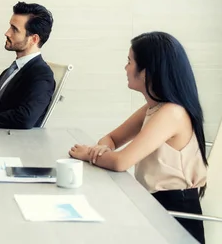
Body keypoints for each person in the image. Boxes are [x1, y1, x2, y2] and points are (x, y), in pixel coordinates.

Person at [69, 32, 207, 244]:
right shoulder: (154, 108)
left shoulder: (172, 113)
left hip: (175, 220)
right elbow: (112, 139)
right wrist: (102, 150)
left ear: (147, 71)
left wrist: (89, 153)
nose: (125, 68)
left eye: (129, 62)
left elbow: (121, 162)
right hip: (154, 208)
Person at [0, 1, 55, 129]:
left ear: (34, 39)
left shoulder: (42, 74)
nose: (7, 33)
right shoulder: (12, 70)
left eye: (14, 29)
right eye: (10, 27)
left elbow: (25, 118)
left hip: (8, 143)